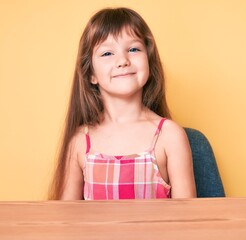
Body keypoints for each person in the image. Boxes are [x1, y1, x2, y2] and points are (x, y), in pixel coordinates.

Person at [49, 7, 196, 200]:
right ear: (91, 74)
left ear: (149, 63)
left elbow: (188, 220)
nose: (123, 61)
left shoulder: (169, 136)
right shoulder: (79, 141)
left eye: (133, 49)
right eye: (107, 53)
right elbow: (67, 221)